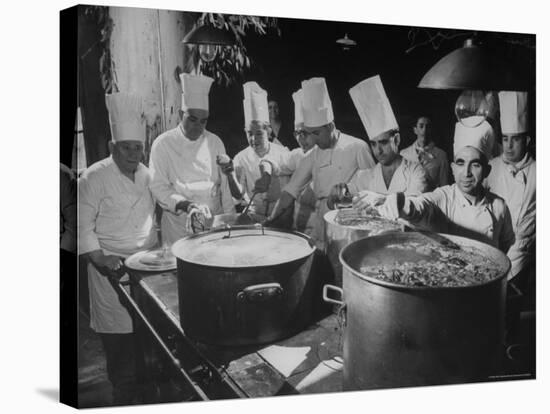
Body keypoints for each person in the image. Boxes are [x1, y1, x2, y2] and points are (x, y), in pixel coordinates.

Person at [78, 92, 158, 405]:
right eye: (127, 147)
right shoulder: (93, 177)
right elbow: (82, 226)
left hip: (145, 268)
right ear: (113, 147)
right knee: (121, 349)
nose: (134, 154)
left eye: (138, 147)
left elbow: (153, 212)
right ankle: (122, 399)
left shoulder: (146, 174)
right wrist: (100, 258)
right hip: (110, 271)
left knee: (148, 346)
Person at [368, 119, 515, 254]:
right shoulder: (443, 197)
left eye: (475, 164)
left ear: (487, 171)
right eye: (460, 163)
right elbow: (421, 206)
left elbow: (504, 245)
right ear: (453, 168)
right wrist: (401, 204)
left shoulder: (499, 206)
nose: (466, 173)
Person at [268, 77, 376, 249]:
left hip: (349, 225)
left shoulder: (357, 147)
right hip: (321, 224)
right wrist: (270, 221)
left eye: (316, 133)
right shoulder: (315, 154)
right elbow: (290, 190)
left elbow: (373, 189)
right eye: (310, 133)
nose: (313, 139)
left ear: (331, 126)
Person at [149, 73, 235, 244]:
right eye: (192, 119)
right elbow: (158, 187)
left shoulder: (215, 142)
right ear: (181, 114)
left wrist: (230, 221)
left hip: (214, 225)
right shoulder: (163, 144)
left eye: (203, 122)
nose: (198, 127)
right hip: (179, 228)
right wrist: (186, 205)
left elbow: (224, 188)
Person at [328, 75, 428, 209]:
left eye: (383, 143)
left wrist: (381, 200)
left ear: (396, 140)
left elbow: (416, 208)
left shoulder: (416, 172)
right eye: (373, 144)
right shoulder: (365, 176)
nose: (378, 151)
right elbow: (337, 202)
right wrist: (336, 194)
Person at [219, 81, 295, 221]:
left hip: (281, 215)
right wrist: (230, 175)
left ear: (268, 131)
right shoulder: (241, 158)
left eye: (259, 133)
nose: (254, 139)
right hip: (254, 216)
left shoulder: (283, 152)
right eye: (249, 133)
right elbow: (238, 195)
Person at [486, 91, 535, 286]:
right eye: (505, 138)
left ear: (527, 141)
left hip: (523, 256)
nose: (509, 145)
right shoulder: (491, 166)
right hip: (492, 249)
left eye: (515, 139)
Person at [400, 115, 450, 189]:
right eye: (421, 126)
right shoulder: (404, 154)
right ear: (415, 130)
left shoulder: (441, 155)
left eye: (428, 126)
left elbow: (445, 186)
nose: (425, 130)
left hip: (433, 198)